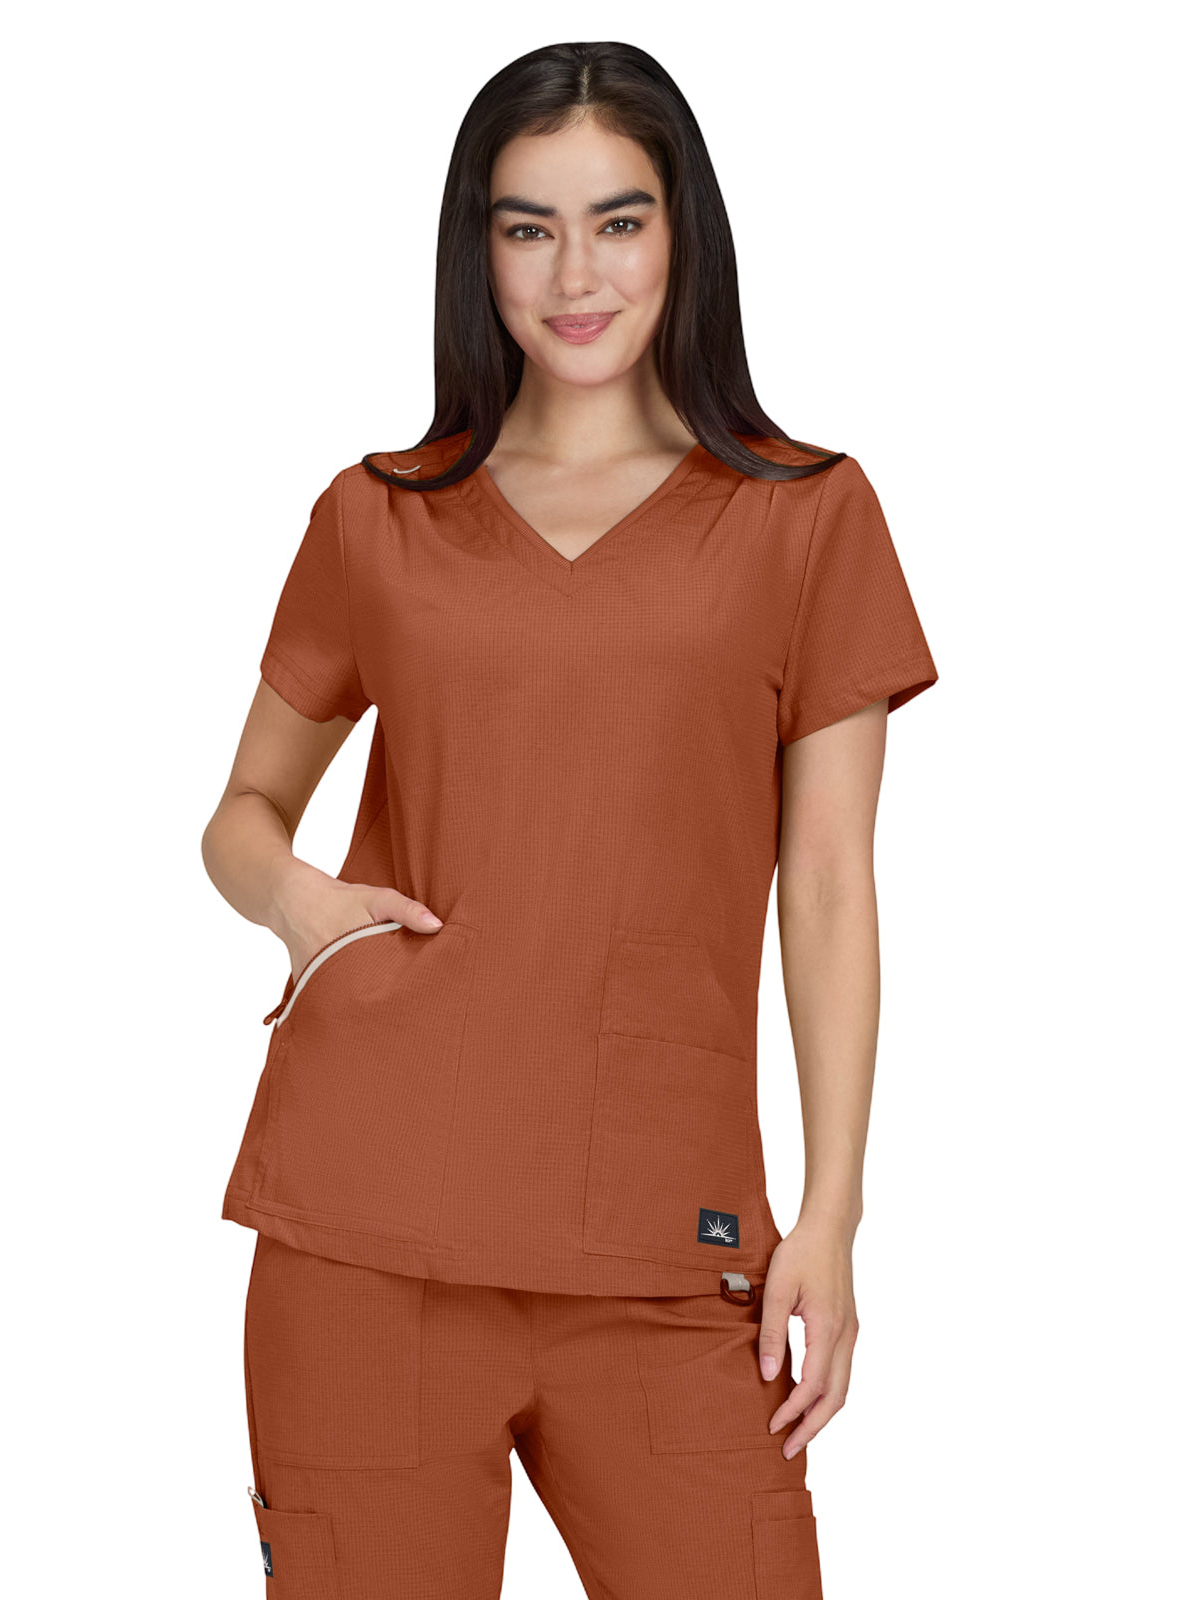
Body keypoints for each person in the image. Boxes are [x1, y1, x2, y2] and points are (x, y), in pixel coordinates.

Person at [201, 39, 938, 1600]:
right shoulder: (381, 512)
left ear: (684, 234)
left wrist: (831, 1214)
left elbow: (826, 886)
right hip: (371, 1231)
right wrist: (300, 901)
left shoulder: (807, 515)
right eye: (528, 227)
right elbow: (242, 815)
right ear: (479, 251)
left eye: (618, 221)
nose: (575, 274)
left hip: (670, 1242)